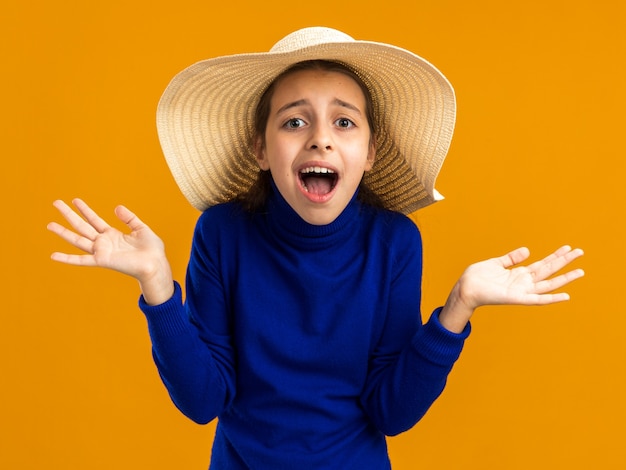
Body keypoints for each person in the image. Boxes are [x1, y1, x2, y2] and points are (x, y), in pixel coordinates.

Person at [47, 27, 584, 469]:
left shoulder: (394, 241)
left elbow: (390, 412)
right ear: (261, 148)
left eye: (344, 121)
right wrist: (159, 288)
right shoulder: (222, 233)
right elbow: (204, 400)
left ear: (370, 152)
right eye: (295, 121)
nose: (320, 138)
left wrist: (456, 310)